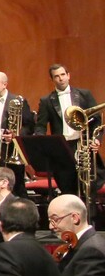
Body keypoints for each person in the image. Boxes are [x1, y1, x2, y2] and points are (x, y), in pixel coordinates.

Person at [36, 64, 101, 197]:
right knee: (67, 188)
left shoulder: (84, 94)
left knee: (89, 189)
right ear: (52, 80)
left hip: (83, 145)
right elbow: (41, 125)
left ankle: (91, 216)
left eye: (63, 75)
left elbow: (97, 120)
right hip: (62, 148)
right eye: (56, 76)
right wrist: (41, 142)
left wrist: (96, 140)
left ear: (68, 75)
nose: (60, 79)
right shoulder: (46, 101)